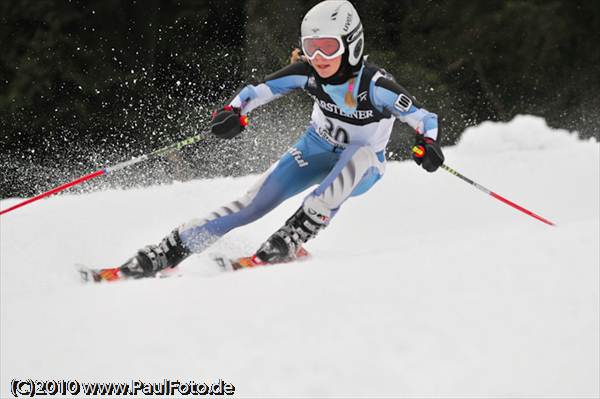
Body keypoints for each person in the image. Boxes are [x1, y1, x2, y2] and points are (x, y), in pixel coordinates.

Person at [118, 0, 444, 278]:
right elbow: (255, 93)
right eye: (311, 47)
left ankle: (291, 237)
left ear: (352, 44)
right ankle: (170, 250)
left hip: (364, 165)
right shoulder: (307, 72)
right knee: (252, 204)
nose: (319, 57)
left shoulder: (375, 85)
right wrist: (231, 113)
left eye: (328, 46)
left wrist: (427, 144)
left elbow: (425, 119)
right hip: (315, 147)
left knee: (357, 154)